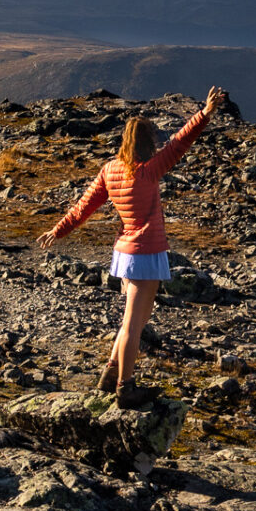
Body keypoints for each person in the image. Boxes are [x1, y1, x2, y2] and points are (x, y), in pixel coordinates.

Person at [37, 86, 228, 407]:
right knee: (133, 326)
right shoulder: (150, 169)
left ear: (125, 140)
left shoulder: (110, 170)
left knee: (135, 321)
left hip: (124, 254)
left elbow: (83, 207)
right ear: (146, 140)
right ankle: (126, 388)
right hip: (146, 255)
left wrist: (58, 230)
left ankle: (110, 375)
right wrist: (205, 113)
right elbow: (180, 142)